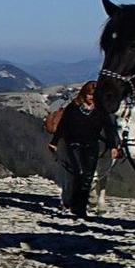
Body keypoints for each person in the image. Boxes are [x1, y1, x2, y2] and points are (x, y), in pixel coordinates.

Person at [48, 81, 120, 219]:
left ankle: (80, 209)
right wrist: (54, 142)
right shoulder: (73, 107)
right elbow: (63, 125)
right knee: (79, 173)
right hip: (74, 144)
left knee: (87, 177)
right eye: (88, 94)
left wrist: (113, 146)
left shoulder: (101, 110)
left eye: (93, 95)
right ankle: (75, 204)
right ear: (83, 94)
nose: (91, 98)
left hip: (91, 145)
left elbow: (109, 128)